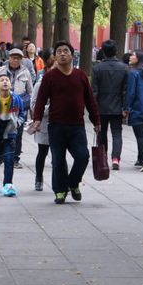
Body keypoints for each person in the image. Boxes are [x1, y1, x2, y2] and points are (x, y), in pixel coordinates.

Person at [30, 41, 100, 205]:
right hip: (56, 125)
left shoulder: (80, 75)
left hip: (77, 126)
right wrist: (37, 120)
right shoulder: (49, 77)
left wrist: (96, 121)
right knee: (58, 160)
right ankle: (60, 191)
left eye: (65, 51)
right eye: (59, 51)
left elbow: (90, 100)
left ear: (72, 55)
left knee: (83, 156)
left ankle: (73, 183)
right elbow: (41, 100)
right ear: (54, 56)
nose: (62, 54)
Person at [0, 48, 34, 168]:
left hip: (19, 108)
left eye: (18, 58)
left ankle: (15, 158)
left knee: (18, 134)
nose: (15, 60)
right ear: (9, 58)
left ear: (21, 60)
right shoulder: (1, 71)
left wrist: (32, 112)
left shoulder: (25, 72)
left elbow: (30, 91)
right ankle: (0, 156)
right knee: (0, 131)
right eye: (13, 57)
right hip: (2, 105)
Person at [92, 40, 130, 170]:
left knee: (101, 134)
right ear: (116, 51)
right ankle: (115, 159)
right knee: (117, 133)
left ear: (103, 51)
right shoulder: (124, 68)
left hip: (101, 107)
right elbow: (126, 90)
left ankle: (103, 158)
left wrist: (93, 109)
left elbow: (94, 91)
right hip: (117, 107)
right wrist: (125, 108)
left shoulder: (97, 68)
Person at [29, 52, 56, 191]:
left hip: (60, 124)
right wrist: (52, 108)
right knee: (43, 152)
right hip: (44, 124)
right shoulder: (40, 84)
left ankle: (59, 181)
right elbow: (33, 106)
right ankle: (38, 178)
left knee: (58, 155)